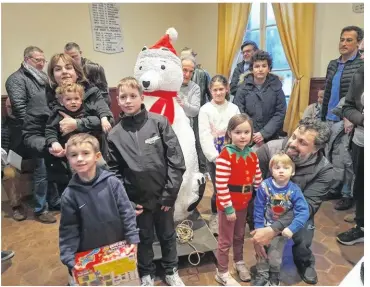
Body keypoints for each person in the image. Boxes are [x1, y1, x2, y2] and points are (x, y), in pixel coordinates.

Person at [107, 77, 186, 286]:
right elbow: (114, 173)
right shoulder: (114, 135)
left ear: (142, 97)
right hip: (137, 201)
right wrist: (128, 203)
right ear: (117, 100)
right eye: (123, 97)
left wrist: (169, 195)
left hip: (163, 197)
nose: (128, 100)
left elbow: (176, 161)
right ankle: (146, 274)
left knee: (168, 235)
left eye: (133, 96)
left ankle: (171, 270)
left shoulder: (159, 122)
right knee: (143, 238)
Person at [251, 118, 332, 285]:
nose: (293, 143)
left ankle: (304, 261)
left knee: (304, 231)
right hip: (266, 207)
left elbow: (308, 206)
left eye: (302, 142)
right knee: (260, 238)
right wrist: (258, 228)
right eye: (294, 136)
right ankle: (263, 270)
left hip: (298, 211)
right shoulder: (268, 150)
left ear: (316, 149)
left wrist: (274, 229)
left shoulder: (324, 170)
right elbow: (254, 191)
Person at [59, 134, 139, 284]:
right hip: (89, 255)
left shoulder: (113, 183)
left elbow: (127, 213)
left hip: (117, 249)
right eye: (74, 155)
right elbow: (68, 229)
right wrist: (68, 257)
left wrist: (132, 239)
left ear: (97, 156)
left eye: (85, 153)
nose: (80, 159)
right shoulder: (69, 195)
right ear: (68, 159)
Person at [6, 46, 59, 224]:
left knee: (51, 166)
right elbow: (20, 110)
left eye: (44, 61)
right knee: (42, 168)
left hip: (46, 128)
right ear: (27, 59)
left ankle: (53, 202)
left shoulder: (43, 78)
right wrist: (39, 128)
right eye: (38, 60)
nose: (42, 64)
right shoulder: (16, 79)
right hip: (27, 132)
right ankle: (40, 208)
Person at [214, 114, 262, 286]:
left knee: (240, 236)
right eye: (238, 132)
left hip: (244, 204)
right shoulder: (226, 156)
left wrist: (263, 197)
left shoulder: (252, 155)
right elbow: (220, 184)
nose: (242, 136)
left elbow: (258, 181)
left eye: (246, 132)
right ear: (230, 134)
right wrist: (228, 208)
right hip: (229, 206)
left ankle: (239, 262)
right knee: (225, 240)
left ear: (252, 133)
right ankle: (222, 272)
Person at [253, 152, 309, 286]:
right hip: (264, 226)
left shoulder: (294, 190)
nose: (281, 171)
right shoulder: (264, 186)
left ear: (293, 171)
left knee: (275, 254)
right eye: (277, 168)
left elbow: (303, 211)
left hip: (280, 231)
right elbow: (258, 207)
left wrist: (292, 228)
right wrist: (258, 227)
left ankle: (274, 274)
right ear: (271, 170)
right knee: (261, 252)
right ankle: (262, 273)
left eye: (286, 168)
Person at [198, 75, 240, 235]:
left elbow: (237, 129)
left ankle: (231, 214)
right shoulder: (205, 110)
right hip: (215, 155)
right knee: (219, 188)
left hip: (232, 153)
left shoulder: (233, 108)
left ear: (227, 89)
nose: (218, 92)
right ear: (210, 91)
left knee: (232, 185)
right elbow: (204, 134)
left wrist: (234, 152)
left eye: (221, 89)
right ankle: (216, 216)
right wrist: (215, 157)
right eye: (215, 90)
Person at [336, 38, 364, 246]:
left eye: (364, 52)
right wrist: (362, 119)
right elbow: (348, 107)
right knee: (361, 185)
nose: (361, 57)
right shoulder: (361, 75)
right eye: (361, 52)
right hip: (362, 141)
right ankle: (361, 226)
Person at [233, 50, 286, 147]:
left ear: (269, 69)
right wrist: (252, 132)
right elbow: (238, 111)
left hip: (271, 137)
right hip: (248, 137)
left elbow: (280, 113)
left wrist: (263, 133)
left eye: (264, 66)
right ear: (252, 69)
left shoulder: (277, 87)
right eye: (257, 66)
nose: (260, 69)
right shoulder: (242, 88)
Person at [45, 83, 112, 158]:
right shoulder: (58, 113)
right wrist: (54, 142)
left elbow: (98, 119)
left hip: (91, 148)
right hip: (71, 151)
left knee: (101, 165)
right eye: (68, 99)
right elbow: (50, 129)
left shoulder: (87, 109)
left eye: (76, 98)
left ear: (81, 100)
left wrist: (104, 119)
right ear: (61, 102)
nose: (73, 102)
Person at [321, 26, 363, 124]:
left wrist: (351, 118)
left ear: (358, 43)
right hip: (328, 118)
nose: (343, 44)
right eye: (342, 40)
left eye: (349, 40)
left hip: (347, 121)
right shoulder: (332, 64)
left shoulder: (362, 65)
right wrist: (322, 116)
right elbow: (327, 93)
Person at [1, 98, 27, 221]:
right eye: (9, 107)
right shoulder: (4, 124)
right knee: (10, 173)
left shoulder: (28, 119)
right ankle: (16, 206)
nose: (11, 110)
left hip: (32, 153)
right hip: (12, 155)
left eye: (14, 107)